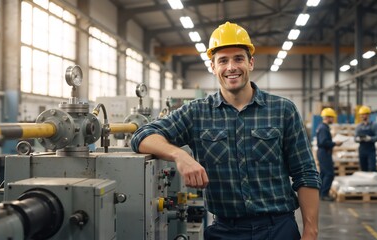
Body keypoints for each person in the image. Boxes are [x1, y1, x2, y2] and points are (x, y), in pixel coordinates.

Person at [131, 21, 320, 240]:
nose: (231, 67)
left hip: (278, 229)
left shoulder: (282, 110)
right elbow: (141, 136)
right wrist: (179, 155)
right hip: (225, 231)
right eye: (223, 60)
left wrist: (310, 231)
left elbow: (305, 173)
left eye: (238, 58)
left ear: (250, 63)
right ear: (213, 67)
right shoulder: (196, 113)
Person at [316, 108, 342, 202]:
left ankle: (320, 192)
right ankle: (324, 194)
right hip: (324, 152)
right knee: (329, 174)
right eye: (332, 117)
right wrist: (335, 143)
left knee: (323, 173)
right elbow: (323, 142)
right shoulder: (323, 128)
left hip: (323, 152)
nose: (333, 119)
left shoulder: (322, 127)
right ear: (327, 117)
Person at [354, 105, 377, 171]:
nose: (362, 116)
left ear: (368, 115)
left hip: (370, 150)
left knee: (372, 168)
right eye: (361, 115)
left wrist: (370, 139)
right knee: (363, 169)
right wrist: (357, 139)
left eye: (364, 114)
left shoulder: (374, 125)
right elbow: (355, 138)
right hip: (362, 150)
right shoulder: (359, 126)